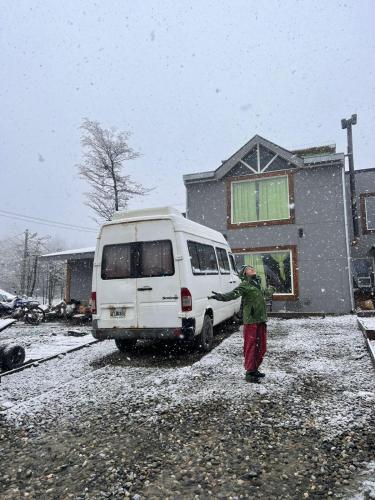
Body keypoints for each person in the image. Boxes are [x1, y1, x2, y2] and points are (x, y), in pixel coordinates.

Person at [210, 265, 275, 383]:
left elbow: (264, 295)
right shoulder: (244, 285)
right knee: (251, 346)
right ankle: (250, 373)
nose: (252, 269)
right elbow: (233, 294)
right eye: (249, 269)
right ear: (245, 274)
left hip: (261, 320)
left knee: (261, 347)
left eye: (252, 268)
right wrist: (221, 297)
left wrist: (272, 288)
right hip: (251, 321)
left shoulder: (257, 284)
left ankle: (255, 369)